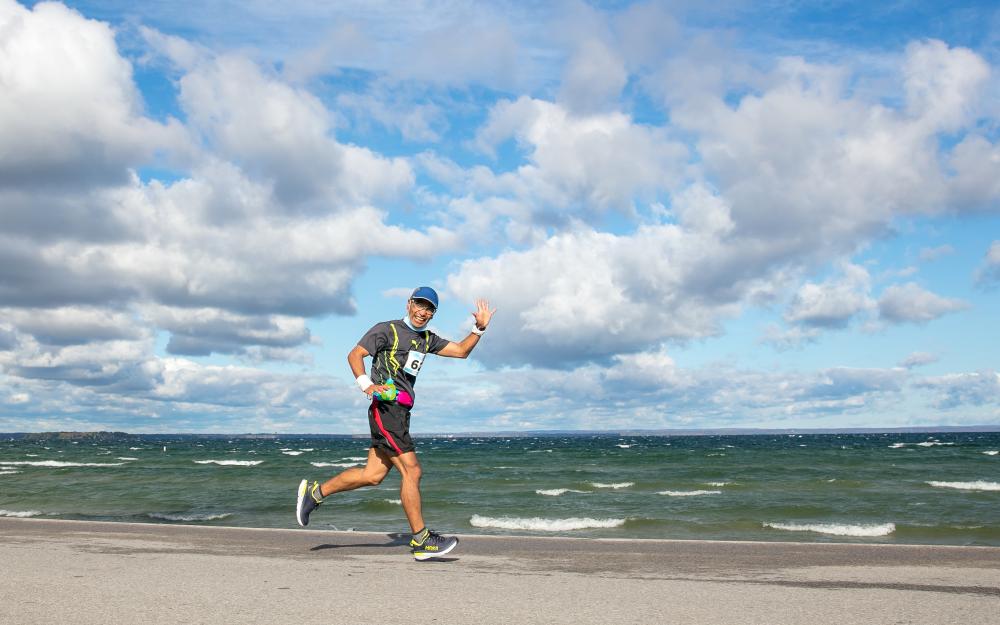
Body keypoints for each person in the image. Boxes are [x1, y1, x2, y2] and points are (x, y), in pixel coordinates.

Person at [296, 286, 495, 560]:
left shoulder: (426, 339)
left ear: (433, 314)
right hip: (386, 408)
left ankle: (315, 493)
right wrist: (366, 385)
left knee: (373, 476)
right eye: (419, 305)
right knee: (412, 471)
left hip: (401, 413)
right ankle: (422, 540)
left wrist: (479, 329)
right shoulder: (386, 329)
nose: (423, 312)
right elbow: (355, 355)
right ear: (409, 303)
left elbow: (461, 351)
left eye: (429, 309)